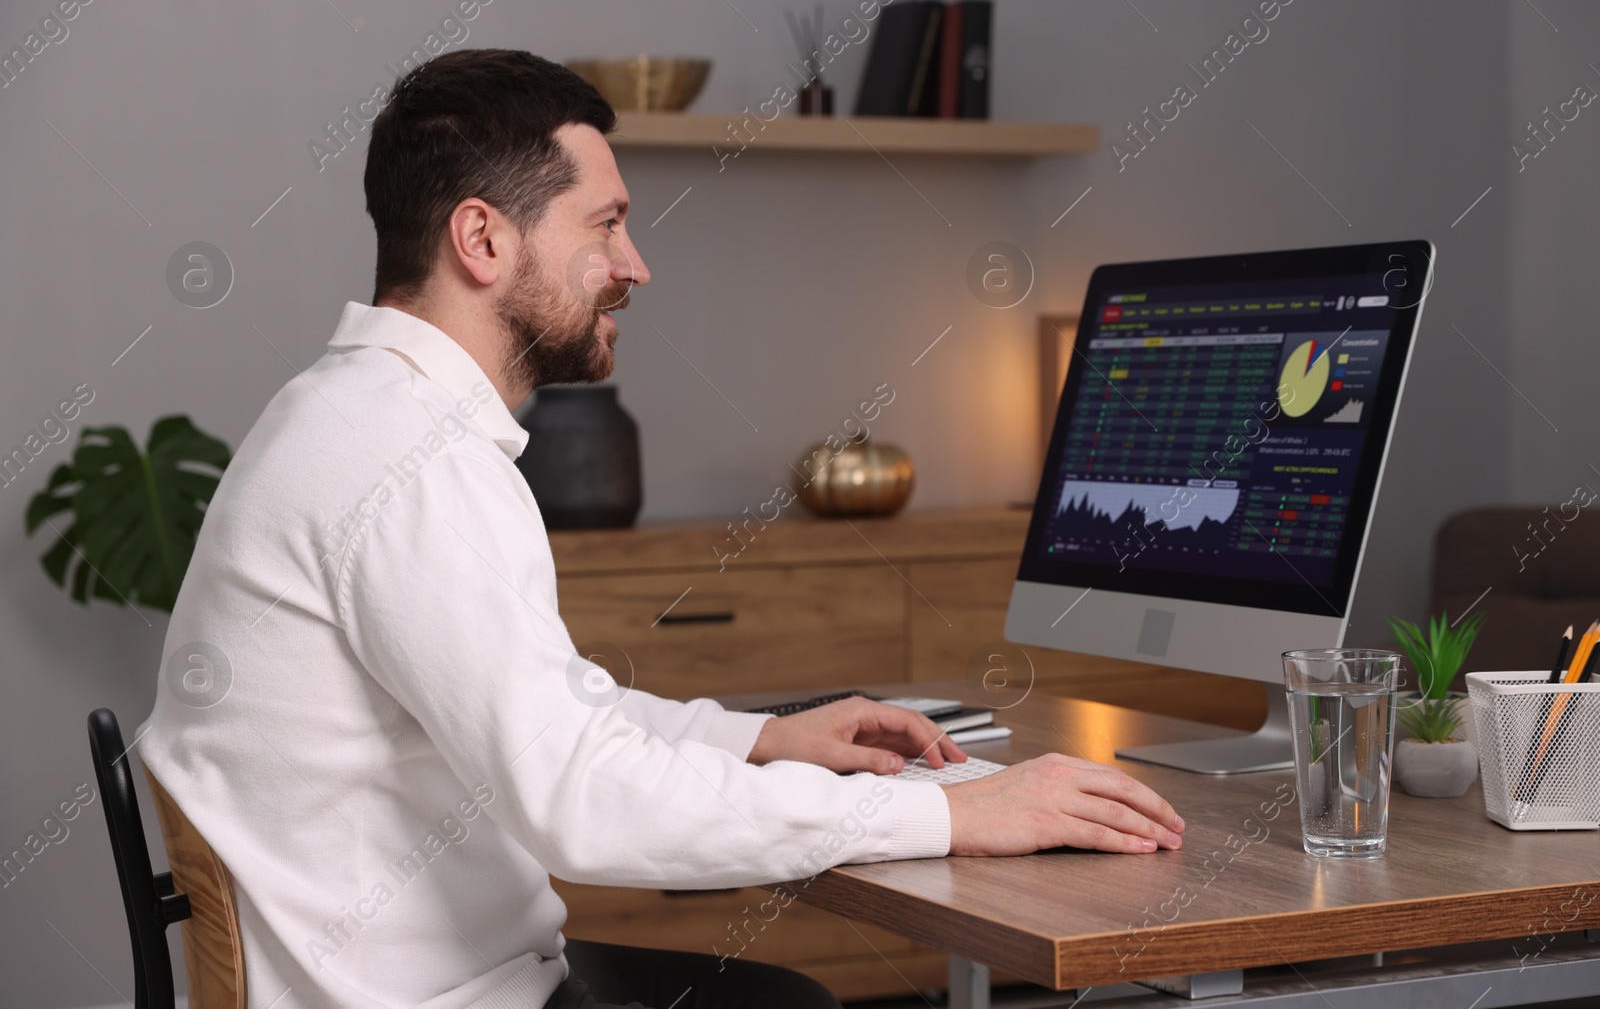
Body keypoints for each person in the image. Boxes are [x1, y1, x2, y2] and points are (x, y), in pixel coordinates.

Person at [140, 49, 1184, 1009]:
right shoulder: (403, 460)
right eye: (604, 224)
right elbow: (578, 798)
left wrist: (764, 737)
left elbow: (557, 713)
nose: (635, 265)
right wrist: (958, 814)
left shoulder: (360, 416)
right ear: (482, 238)